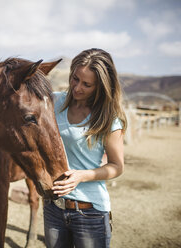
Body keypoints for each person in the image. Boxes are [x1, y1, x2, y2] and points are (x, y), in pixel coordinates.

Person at [43, 48, 127, 248]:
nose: (77, 87)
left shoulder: (109, 119)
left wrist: (82, 176)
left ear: (100, 87)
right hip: (53, 208)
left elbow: (117, 166)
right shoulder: (54, 101)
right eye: (75, 79)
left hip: (90, 212)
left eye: (86, 84)